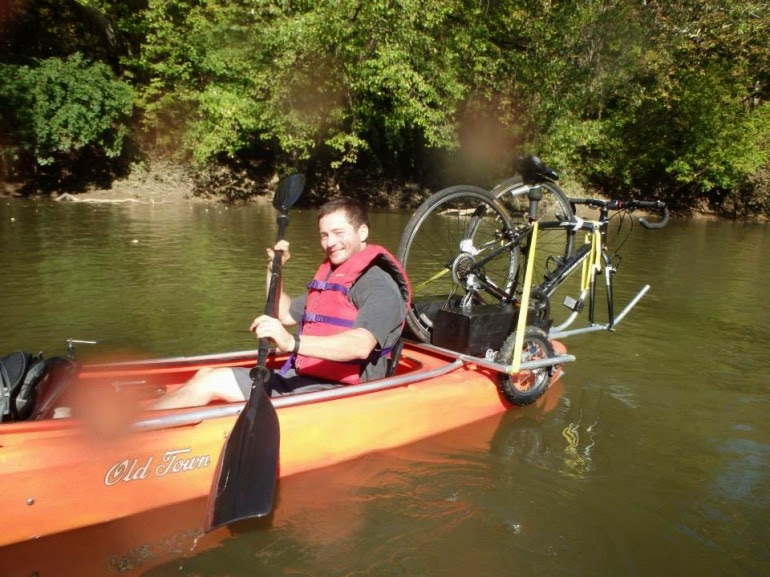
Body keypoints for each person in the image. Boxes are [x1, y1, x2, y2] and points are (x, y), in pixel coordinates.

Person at [153, 197, 411, 409]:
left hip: (342, 391)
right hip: (307, 378)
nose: (330, 243)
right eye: (324, 235)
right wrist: (274, 269)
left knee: (211, 382)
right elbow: (284, 313)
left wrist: (291, 342)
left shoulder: (378, 285)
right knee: (205, 374)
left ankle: (128, 434)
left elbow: (360, 346)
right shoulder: (335, 274)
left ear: (362, 232)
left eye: (338, 233)